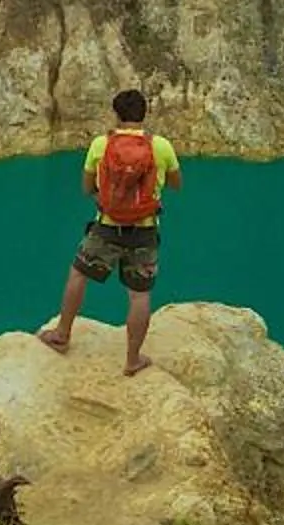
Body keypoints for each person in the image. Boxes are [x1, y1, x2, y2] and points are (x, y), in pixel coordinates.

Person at [39, 88, 181, 376]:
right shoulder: (161, 146)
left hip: (106, 225)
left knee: (79, 273)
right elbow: (177, 183)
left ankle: (62, 334)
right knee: (138, 296)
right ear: (144, 114)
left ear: (116, 115)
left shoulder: (101, 144)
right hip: (145, 230)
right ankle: (132, 360)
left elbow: (86, 188)